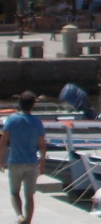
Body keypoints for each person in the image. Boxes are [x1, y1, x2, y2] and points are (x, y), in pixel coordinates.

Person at [0, 91, 47, 224]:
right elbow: (42, 146)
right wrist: (42, 164)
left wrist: (1, 160)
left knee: (14, 192)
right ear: (33, 105)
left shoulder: (11, 120)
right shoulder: (37, 122)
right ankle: (28, 222)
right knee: (29, 195)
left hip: (15, 162)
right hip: (31, 163)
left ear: (19, 103)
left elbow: (3, 142)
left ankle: (20, 216)